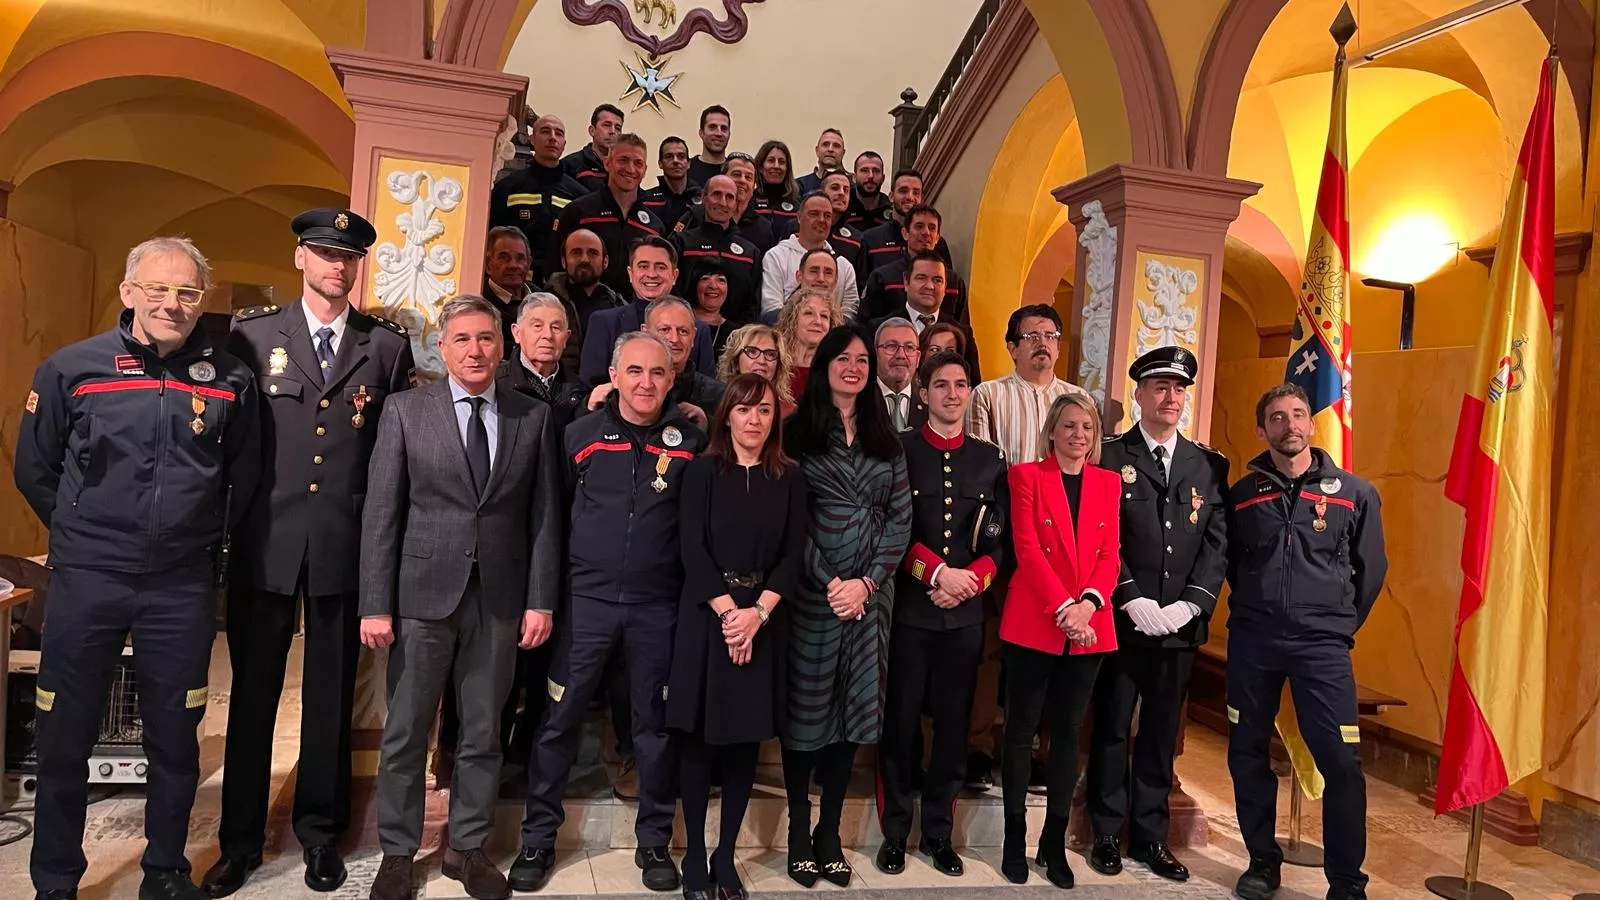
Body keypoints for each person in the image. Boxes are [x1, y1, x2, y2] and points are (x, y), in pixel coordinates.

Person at [15, 237, 261, 900]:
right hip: (87, 580)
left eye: (186, 292)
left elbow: (242, 478)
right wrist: (83, 532)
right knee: (65, 738)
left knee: (176, 742)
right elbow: (34, 470)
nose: (171, 304)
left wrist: (199, 541)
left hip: (179, 587)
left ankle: (164, 872)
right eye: (157, 289)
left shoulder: (231, 380)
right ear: (129, 293)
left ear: (201, 300)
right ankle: (55, 882)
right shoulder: (72, 370)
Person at [206, 209, 414, 898]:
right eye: (326, 253)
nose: (338, 266)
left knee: (329, 701)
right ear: (300, 257)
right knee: (254, 700)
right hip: (265, 542)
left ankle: (320, 835)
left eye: (349, 256)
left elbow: (388, 460)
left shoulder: (384, 347)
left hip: (341, 546)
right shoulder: (252, 334)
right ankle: (238, 842)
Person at [358, 296, 561, 900]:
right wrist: (376, 602)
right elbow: (381, 513)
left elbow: (545, 516)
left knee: (482, 732)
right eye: (462, 340)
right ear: (441, 349)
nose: (475, 350)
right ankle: (398, 851)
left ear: (503, 346)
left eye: (485, 339)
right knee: (406, 732)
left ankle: (466, 848)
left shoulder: (532, 416)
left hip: (499, 599)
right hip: (422, 597)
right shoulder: (404, 411)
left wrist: (540, 600)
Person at [511, 333, 707, 894]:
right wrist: (545, 598)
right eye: (635, 372)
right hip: (586, 607)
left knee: (653, 730)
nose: (646, 383)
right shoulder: (578, 436)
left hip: (658, 610)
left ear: (672, 380)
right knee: (558, 723)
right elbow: (551, 522)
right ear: (614, 376)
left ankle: (653, 841)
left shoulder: (691, 443)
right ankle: (538, 838)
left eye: (657, 373)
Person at [1225, 383, 1387, 900]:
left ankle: (1346, 881)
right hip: (1254, 640)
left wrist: (1335, 623)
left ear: (1311, 425)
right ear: (1261, 429)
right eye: (1277, 417)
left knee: (1341, 761)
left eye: (1298, 414)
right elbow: (1231, 563)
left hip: (1323, 648)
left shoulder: (1354, 494)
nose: (1289, 424)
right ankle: (1261, 862)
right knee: (1247, 751)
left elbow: (1372, 569)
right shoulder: (1243, 495)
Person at [1086, 346, 1229, 883]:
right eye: (1160, 387)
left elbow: (1216, 545)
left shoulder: (1208, 464)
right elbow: (1099, 533)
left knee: (1161, 734)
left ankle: (1149, 837)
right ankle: (1104, 831)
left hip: (1179, 629)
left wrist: (1193, 603)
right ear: (1140, 395)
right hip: (1123, 621)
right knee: (1112, 729)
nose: (1171, 397)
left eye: (1178, 389)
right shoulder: (1108, 455)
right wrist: (1129, 596)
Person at [780, 325, 912, 889]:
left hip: (870, 602)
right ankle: (796, 836)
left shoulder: (888, 438)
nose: (854, 367)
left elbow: (902, 519)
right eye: (844, 358)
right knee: (805, 718)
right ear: (825, 364)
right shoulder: (797, 432)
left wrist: (866, 582)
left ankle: (830, 833)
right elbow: (790, 519)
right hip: (813, 596)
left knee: (852, 719)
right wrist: (832, 579)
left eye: (863, 359)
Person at [668, 374, 807, 900]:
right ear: (727, 415)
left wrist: (757, 616)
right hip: (708, 618)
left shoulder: (789, 477)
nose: (754, 420)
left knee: (745, 743)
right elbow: (692, 548)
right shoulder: (703, 472)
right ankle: (696, 860)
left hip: (763, 622)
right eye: (744, 410)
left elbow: (793, 555)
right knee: (700, 744)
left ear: (775, 420)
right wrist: (731, 616)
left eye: (764, 411)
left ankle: (726, 855)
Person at [875, 352, 1007, 879]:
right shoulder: (899, 451)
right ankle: (893, 832)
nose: (952, 394)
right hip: (911, 611)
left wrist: (973, 580)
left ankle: (937, 834)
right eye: (941, 385)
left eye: (960, 385)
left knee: (953, 730)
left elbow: (1003, 540)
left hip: (965, 617)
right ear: (923, 393)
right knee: (900, 724)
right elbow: (890, 526)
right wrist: (934, 574)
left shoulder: (989, 458)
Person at [997, 392, 1120, 888]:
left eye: (1087, 428)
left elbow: (1110, 553)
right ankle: (1012, 841)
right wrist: (1064, 608)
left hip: (1090, 624)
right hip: (1035, 618)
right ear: (1052, 431)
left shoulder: (1108, 484)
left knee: (1069, 735)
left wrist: (1087, 603)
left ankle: (1052, 843)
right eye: (1069, 426)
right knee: (1020, 732)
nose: (1078, 436)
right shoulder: (1026, 476)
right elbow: (1026, 548)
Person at [965, 304, 1087, 790]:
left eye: (1051, 334)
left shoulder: (1078, 400)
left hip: (1064, 551)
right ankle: (978, 748)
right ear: (1012, 346)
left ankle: (1042, 750)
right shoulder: (987, 396)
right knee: (993, 650)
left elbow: (1088, 469)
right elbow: (981, 471)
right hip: (1007, 542)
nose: (1042, 343)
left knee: (1053, 651)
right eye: (1031, 335)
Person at [578, 236, 715, 384]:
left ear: (674, 276)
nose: (651, 274)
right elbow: (589, 387)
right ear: (630, 274)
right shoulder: (603, 323)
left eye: (660, 267)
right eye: (643, 266)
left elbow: (706, 388)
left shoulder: (700, 330)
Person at [550, 133, 662, 293]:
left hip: (635, 314)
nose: (630, 169)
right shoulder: (578, 212)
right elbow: (554, 270)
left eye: (638, 163)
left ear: (644, 170)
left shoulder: (654, 226)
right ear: (607, 163)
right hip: (581, 312)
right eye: (623, 160)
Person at [490, 114, 587, 278]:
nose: (552, 138)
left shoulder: (579, 195)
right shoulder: (506, 189)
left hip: (562, 283)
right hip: (514, 278)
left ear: (564, 145)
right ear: (532, 139)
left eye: (559, 133)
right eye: (545, 131)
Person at [867, 251, 979, 379]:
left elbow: (973, 387)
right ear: (906, 281)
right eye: (921, 278)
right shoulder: (877, 329)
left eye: (937, 280)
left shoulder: (963, 333)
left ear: (945, 287)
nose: (930, 286)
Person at [671, 173, 763, 325]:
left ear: (735, 204)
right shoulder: (682, 243)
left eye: (730, 197)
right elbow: (672, 292)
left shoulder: (750, 253)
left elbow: (752, 306)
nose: (723, 202)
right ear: (704, 198)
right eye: (716, 195)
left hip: (734, 340)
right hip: (686, 331)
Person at [859, 205, 968, 327]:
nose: (926, 233)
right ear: (905, 233)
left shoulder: (955, 282)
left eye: (932, 228)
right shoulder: (882, 277)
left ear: (937, 237)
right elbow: (866, 326)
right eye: (919, 226)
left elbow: (963, 330)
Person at [761, 194, 860, 320]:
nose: (822, 220)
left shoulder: (844, 266)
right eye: (814, 214)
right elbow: (771, 309)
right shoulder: (776, 257)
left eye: (827, 216)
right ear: (799, 217)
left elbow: (849, 315)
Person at [544, 228, 627, 374]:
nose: (584, 259)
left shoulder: (619, 307)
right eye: (576, 253)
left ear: (605, 261)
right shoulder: (544, 303)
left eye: (593, 253)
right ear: (564, 261)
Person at [858, 169, 952, 279]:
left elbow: (946, 282)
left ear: (922, 198)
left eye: (916, 192)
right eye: (903, 191)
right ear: (891, 196)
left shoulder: (936, 242)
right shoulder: (871, 239)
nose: (910, 197)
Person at [776, 289, 840, 406]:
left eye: (824, 316)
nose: (818, 321)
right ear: (792, 319)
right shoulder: (775, 363)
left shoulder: (836, 368)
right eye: (809, 313)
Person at [716, 323, 792, 413]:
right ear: (736, 361)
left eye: (770, 354)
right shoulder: (717, 403)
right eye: (752, 352)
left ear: (778, 364)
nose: (761, 361)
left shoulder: (789, 411)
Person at [483, 226, 534, 352]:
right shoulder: (479, 302)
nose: (513, 265)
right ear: (488, 264)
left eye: (520, 258)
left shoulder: (543, 299)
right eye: (503, 258)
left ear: (529, 263)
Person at [873, 317, 925, 433]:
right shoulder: (858, 400)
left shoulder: (930, 403)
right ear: (875, 355)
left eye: (909, 347)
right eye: (891, 346)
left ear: (917, 358)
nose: (901, 355)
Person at [560, 103, 624, 192]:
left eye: (618, 128)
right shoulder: (570, 165)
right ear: (592, 131)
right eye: (606, 125)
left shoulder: (625, 168)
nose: (613, 131)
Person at [642, 136, 700, 230]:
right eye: (669, 157)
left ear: (688, 163)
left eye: (681, 156)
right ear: (660, 164)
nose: (675, 161)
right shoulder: (647, 200)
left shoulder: (702, 200)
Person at [688, 260, 737, 361]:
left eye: (721, 280)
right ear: (694, 284)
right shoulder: (679, 321)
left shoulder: (736, 333)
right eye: (705, 279)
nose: (713, 286)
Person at [819, 171, 865, 274]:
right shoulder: (798, 227)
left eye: (846, 190)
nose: (841, 193)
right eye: (835, 188)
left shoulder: (857, 239)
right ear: (821, 192)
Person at [753, 139, 801, 237]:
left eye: (782, 162)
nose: (776, 166)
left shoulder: (798, 206)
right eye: (771, 160)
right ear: (761, 167)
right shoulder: (750, 202)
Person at [688, 104, 731, 187]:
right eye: (712, 127)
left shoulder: (735, 172)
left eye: (724, 128)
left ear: (729, 134)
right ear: (701, 133)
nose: (719, 133)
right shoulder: (686, 170)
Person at [845, 151, 890, 231]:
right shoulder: (844, 207)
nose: (871, 176)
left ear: (883, 178)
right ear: (854, 177)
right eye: (865, 170)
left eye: (876, 171)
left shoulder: (891, 212)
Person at [797, 127, 845, 195]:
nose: (830, 149)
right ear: (817, 151)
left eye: (836, 146)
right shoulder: (799, 186)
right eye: (825, 144)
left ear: (843, 153)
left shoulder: (851, 188)